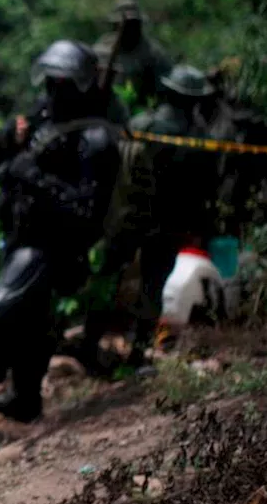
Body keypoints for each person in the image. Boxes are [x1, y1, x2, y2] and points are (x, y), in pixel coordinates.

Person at [0, 40, 122, 438]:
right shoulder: (43, 119)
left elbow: (85, 213)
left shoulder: (95, 139)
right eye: (50, 80)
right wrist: (6, 142)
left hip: (53, 247)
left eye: (61, 82)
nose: (52, 90)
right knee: (31, 324)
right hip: (20, 235)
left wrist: (34, 176)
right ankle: (26, 400)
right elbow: (7, 169)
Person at [79, 65, 229, 371]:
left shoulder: (142, 124)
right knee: (152, 286)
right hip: (167, 223)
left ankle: (90, 345)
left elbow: (116, 172)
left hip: (130, 217)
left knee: (110, 278)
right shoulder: (199, 138)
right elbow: (208, 186)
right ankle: (138, 351)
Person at [93, 0, 173, 104]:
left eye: (134, 24)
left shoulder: (153, 54)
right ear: (115, 26)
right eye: (126, 25)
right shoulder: (101, 49)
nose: (130, 30)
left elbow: (166, 89)